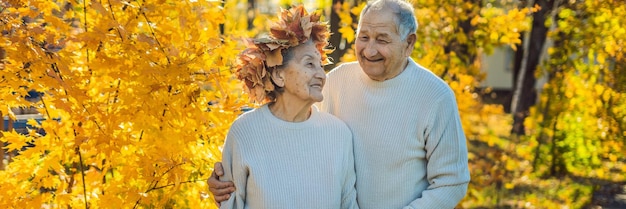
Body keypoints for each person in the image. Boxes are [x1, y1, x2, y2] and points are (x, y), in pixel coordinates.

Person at [210, 0, 470, 208]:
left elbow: (451, 182)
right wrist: (230, 179)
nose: (369, 50)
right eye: (363, 37)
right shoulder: (336, 81)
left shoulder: (435, 97)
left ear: (409, 43)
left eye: (382, 39)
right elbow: (292, 134)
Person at [217, 5, 359, 209]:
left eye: (321, 65)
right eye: (309, 64)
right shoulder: (244, 132)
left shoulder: (339, 134)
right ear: (278, 75)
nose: (320, 74)